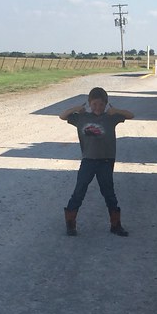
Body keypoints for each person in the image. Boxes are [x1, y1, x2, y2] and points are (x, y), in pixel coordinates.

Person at [59, 87, 134, 237]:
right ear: (89, 103)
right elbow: (62, 116)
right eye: (94, 104)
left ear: (106, 104)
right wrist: (77, 109)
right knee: (79, 190)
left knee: (109, 192)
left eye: (101, 104)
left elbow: (131, 115)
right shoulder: (81, 118)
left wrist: (115, 110)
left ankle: (116, 224)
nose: (97, 107)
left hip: (106, 161)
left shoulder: (110, 118)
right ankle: (70, 223)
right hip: (88, 161)